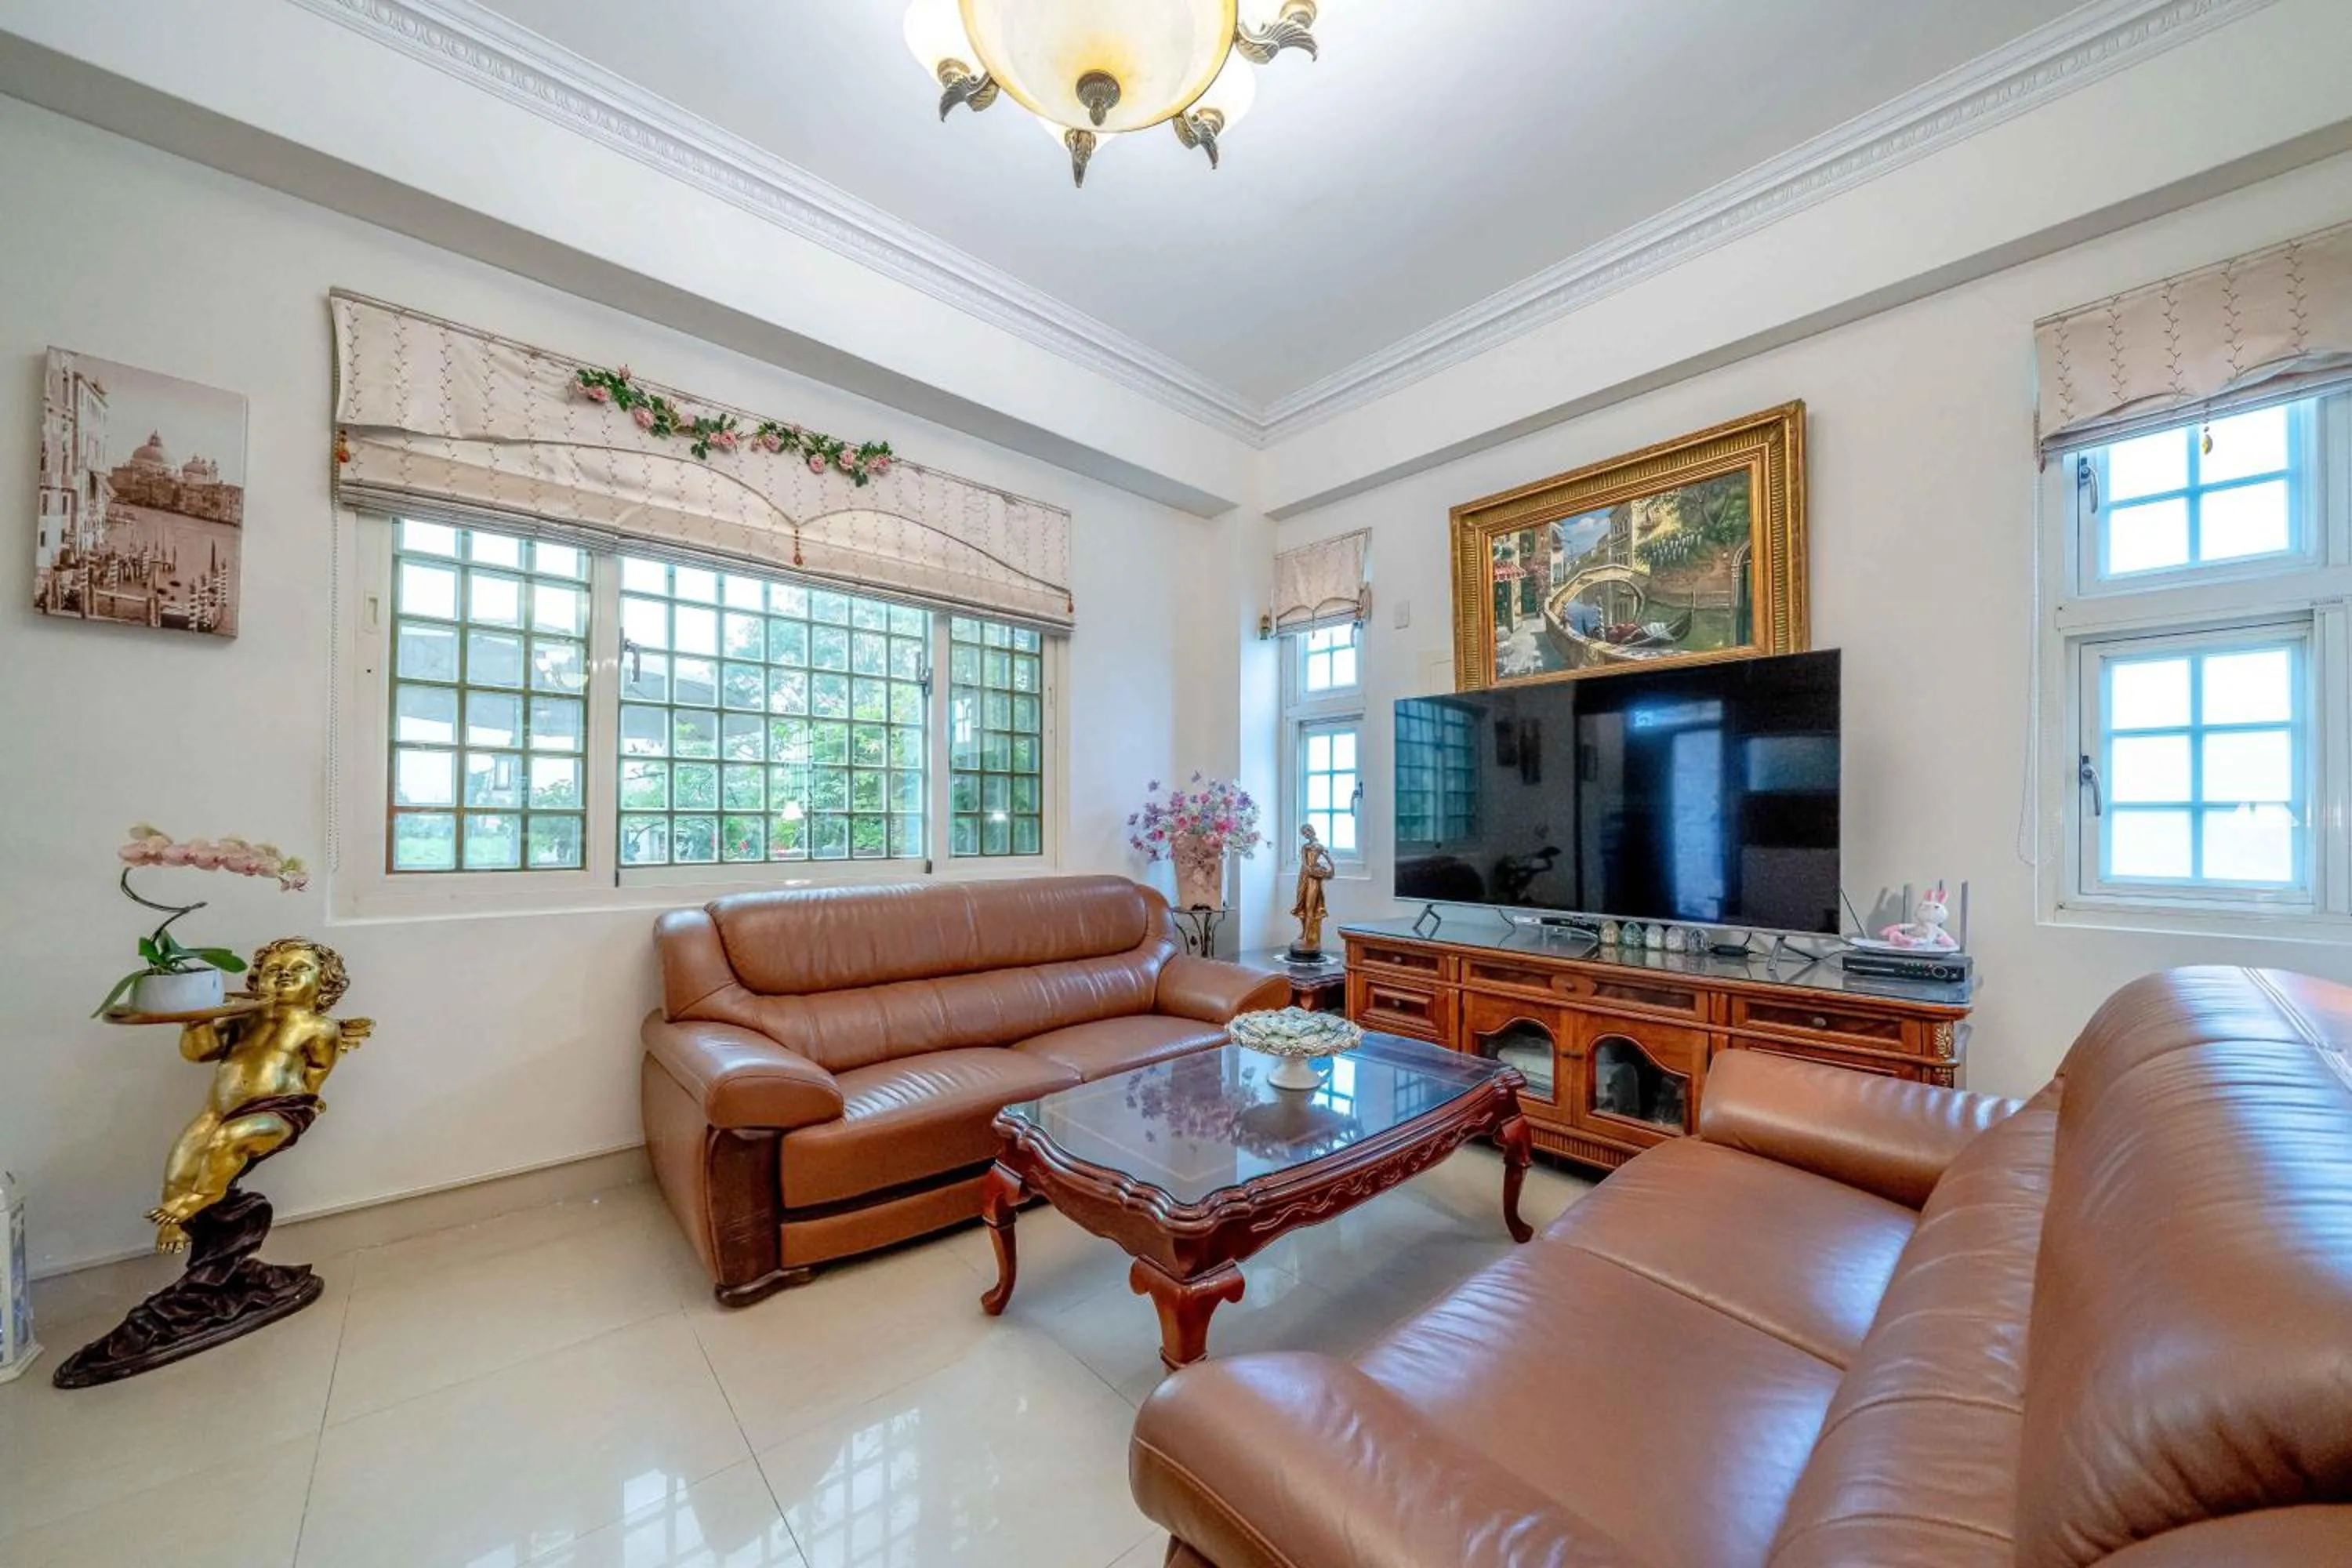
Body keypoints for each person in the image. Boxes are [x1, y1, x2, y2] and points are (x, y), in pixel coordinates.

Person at [146, 938, 372, 1251]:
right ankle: (176, 1227)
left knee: (231, 1137)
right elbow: (201, 1053)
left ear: (325, 982)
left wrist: (311, 1098)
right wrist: (197, 1022)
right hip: (217, 1110)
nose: (284, 975)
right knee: (180, 1165)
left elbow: (318, 1068)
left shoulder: (319, 1027)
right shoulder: (243, 1018)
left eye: (300, 969)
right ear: (257, 980)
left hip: (281, 1110)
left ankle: (205, 1195)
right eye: (273, 970)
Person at [1290, 823, 1336, 958]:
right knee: (1301, 905)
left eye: (1307, 832)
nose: (1306, 835)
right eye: (1304, 833)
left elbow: (1331, 864)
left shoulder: (1320, 847)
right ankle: (1304, 931)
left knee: (1311, 907)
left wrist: (1328, 871)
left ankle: (1308, 936)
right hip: (1304, 877)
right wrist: (1313, 871)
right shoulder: (1305, 847)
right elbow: (1305, 864)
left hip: (1314, 880)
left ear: (1312, 830)